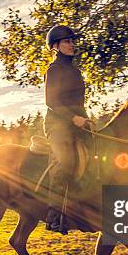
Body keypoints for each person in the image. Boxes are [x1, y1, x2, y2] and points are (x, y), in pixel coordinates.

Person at [43, 25, 90, 234]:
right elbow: (51, 101)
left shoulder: (75, 70)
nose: (71, 45)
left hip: (79, 121)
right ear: (56, 46)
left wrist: (86, 120)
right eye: (66, 42)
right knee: (67, 162)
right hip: (58, 124)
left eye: (72, 41)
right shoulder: (54, 70)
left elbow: (79, 102)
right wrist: (73, 118)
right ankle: (53, 217)